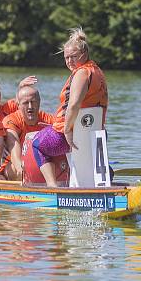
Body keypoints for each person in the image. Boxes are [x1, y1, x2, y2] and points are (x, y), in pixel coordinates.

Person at [33, 28, 108, 187]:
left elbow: (73, 105)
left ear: (84, 54)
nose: (69, 61)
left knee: (36, 144)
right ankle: (85, 181)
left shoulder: (82, 73)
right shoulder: (98, 71)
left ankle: (53, 187)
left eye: (73, 57)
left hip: (70, 136)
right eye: (66, 57)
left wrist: (67, 130)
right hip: (95, 134)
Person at [1, 85, 54, 180]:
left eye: (33, 102)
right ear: (18, 105)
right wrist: (20, 167)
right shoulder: (11, 120)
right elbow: (13, 143)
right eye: (25, 103)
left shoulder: (49, 120)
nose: (30, 107)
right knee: (22, 170)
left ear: (39, 102)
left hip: (43, 163)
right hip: (14, 165)